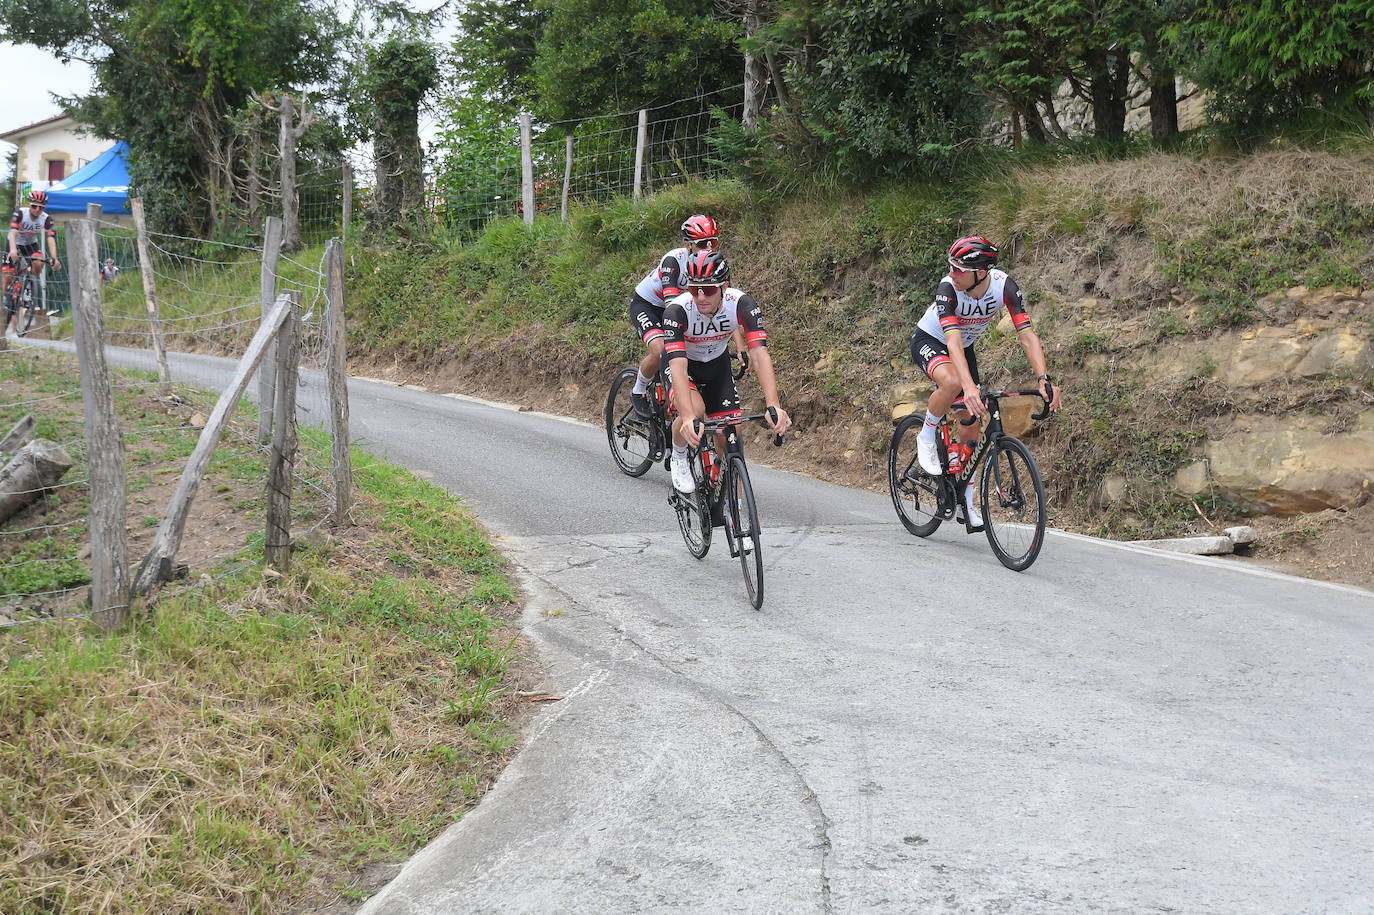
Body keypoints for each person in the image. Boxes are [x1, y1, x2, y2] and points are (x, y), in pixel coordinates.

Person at [909, 235, 1061, 530]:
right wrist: (968, 387)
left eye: (958, 269)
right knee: (953, 383)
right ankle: (926, 435)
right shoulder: (948, 289)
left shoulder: (1005, 287)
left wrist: (1043, 378)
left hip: (963, 348)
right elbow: (952, 342)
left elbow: (1027, 335)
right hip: (932, 340)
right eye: (951, 266)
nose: (952, 273)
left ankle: (965, 501)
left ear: (980, 273)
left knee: (971, 428)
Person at [661, 250, 791, 493]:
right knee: (695, 411)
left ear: (724, 287)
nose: (700, 297)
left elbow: (759, 355)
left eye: (708, 290)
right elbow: (677, 365)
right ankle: (679, 455)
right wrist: (687, 417)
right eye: (694, 289)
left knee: (730, 431)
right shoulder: (677, 311)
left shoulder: (742, 304)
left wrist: (773, 404)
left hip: (716, 364)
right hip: (682, 364)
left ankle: (723, 488)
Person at [627, 215, 746, 419]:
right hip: (649, 306)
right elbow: (672, 310)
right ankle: (638, 390)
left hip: (681, 308)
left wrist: (741, 347)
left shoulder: (715, 265)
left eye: (713, 242)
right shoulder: (673, 261)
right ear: (688, 244)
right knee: (661, 348)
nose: (709, 248)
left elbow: (726, 308)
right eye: (702, 243)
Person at [4, 190, 63, 326]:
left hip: (31, 244)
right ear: (29, 204)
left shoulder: (46, 218)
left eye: (40, 207)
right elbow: (13, 232)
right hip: (14, 243)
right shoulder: (20, 213)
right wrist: (13, 250)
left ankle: (29, 285)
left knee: (39, 262)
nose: (37, 210)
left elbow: (50, 238)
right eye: (34, 206)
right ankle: (6, 300)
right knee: (7, 277)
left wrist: (54, 258)